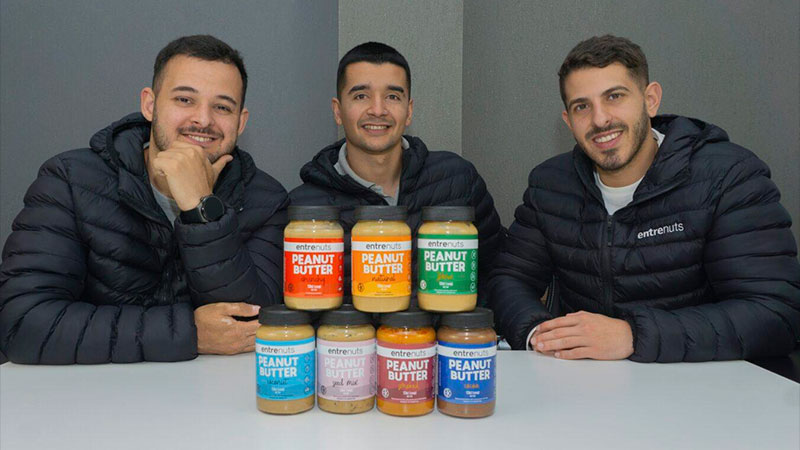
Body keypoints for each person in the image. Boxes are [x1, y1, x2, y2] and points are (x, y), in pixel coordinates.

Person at [488, 35, 800, 362]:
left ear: (650, 100)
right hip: (583, 381)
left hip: (703, 381)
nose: (600, 119)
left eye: (614, 96)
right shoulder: (550, 184)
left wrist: (634, 336)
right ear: (568, 121)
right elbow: (510, 279)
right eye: (582, 106)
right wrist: (541, 336)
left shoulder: (727, 176)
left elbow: (774, 312)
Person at [0, 35, 288, 364]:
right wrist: (188, 333)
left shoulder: (265, 200)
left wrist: (201, 208)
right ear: (150, 105)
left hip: (213, 392)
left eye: (222, 107)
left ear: (241, 121)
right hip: (91, 390)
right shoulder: (70, 180)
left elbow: (251, 322)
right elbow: (23, 322)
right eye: (184, 100)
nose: (203, 119)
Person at [290, 42, 503, 304]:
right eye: (361, 96)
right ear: (338, 111)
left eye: (392, 96)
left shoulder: (458, 180)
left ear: (409, 111)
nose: (378, 110)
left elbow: (502, 272)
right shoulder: (303, 208)